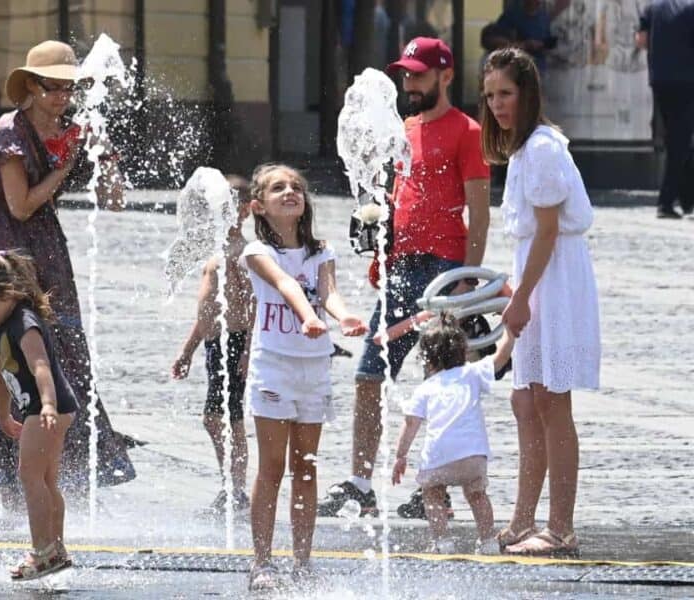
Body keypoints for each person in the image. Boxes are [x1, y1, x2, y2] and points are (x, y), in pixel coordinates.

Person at [318, 37, 491, 520]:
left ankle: (436, 485)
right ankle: (360, 484)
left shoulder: (467, 131)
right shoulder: (404, 128)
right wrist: (382, 249)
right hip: (401, 268)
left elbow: (479, 214)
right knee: (370, 374)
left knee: (442, 383)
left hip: (444, 271)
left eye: (418, 74)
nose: (409, 83)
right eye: (406, 74)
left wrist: (467, 278)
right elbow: (397, 199)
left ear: (445, 76)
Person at [0, 40, 134, 510]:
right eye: (52, 87)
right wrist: (64, 168)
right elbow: (20, 205)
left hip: (50, 255)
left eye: (69, 87)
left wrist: (107, 163)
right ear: (30, 86)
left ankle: (72, 481)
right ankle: (14, 491)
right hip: (8, 257)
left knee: (68, 358)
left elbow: (114, 203)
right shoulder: (11, 131)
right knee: (8, 364)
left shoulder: (72, 129)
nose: (62, 96)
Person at [481, 47, 600, 557]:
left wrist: (522, 298)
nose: (498, 104)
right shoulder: (522, 150)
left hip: (556, 281)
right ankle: (524, 518)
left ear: (527, 93)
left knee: (552, 400)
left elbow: (549, 233)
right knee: (525, 399)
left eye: (505, 93)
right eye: (490, 96)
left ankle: (561, 528)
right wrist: (515, 290)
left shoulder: (545, 148)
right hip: (535, 274)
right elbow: (531, 238)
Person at [241, 164, 367, 590]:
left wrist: (343, 315)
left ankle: (303, 561)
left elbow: (328, 290)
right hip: (275, 365)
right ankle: (262, 562)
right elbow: (285, 285)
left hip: (314, 368)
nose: (290, 192)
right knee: (272, 467)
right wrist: (308, 317)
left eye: (296, 187)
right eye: (279, 189)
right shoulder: (257, 251)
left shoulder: (321, 250)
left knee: (306, 468)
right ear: (259, 206)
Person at [0, 250, 77, 580]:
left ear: (7, 293)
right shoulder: (1, 322)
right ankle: (56, 549)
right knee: (47, 481)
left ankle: (42, 553)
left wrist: (48, 405)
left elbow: (41, 366)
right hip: (44, 409)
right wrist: (2, 413)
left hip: (47, 407)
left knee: (30, 477)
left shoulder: (24, 323)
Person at [392, 313, 514, 555]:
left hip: (440, 456)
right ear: (463, 350)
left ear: (426, 358)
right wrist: (511, 331)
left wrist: (400, 456)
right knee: (478, 495)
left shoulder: (425, 388)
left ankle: (443, 542)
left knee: (433, 495)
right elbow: (500, 358)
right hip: (473, 455)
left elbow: (410, 423)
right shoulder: (472, 373)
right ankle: (488, 541)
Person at [171, 175, 253, 514]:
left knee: (226, 416)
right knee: (217, 416)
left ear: (246, 210)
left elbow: (254, 305)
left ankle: (236, 487)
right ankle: (230, 484)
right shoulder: (216, 251)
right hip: (215, 342)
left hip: (234, 343)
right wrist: (188, 350)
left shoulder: (242, 252)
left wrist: (248, 350)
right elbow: (207, 311)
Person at [635, 0, 694, 218]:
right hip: (686, 81)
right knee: (680, 140)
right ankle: (666, 202)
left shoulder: (653, 8)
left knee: (678, 138)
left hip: (659, 80)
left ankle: (688, 199)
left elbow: (641, 40)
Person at [495, 0, 567, 73]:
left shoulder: (544, 17)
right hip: (516, 68)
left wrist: (541, 44)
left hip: (538, 68)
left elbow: (547, 41)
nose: (538, 2)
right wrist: (523, 45)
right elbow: (496, 39)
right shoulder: (511, 15)